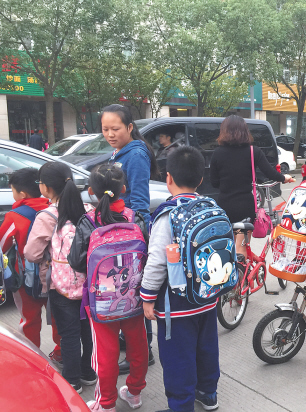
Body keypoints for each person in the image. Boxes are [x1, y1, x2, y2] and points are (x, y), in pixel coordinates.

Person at [140, 146, 220, 412]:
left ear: (168, 178)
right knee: (207, 348)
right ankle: (208, 394)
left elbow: (156, 262)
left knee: (177, 358)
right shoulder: (211, 206)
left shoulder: (167, 215)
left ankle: (181, 406)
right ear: (201, 179)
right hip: (208, 297)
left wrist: (147, 297)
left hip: (176, 306)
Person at [68, 164, 149, 411]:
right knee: (138, 345)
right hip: (134, 297)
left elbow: (76, 261)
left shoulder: (87, 222)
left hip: (101, 302)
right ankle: (134, 392)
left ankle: (106, 403)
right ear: (123, 189)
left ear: (91, 191)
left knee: (105, 353)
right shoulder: (135, 218)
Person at [23, 162, 95, 393]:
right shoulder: (89, 209)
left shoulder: (47, 216)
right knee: (87, 330)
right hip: (91, 284)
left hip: (61, 286)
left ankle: (72, 380)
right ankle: (88, 372)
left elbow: (31, 253)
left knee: (69, 333)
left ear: (45, 187)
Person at [100, 104, 157, 370]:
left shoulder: (135, 155)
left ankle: (143, 353)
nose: (110, 134)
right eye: (105, 129)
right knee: (125, 290)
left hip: (130, 234)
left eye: (116, 129)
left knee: (133, 292)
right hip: (120, 231)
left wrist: (135, 237)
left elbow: (140, 202)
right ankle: (133, 343)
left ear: (130, 127)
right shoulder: (120, 152)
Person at [0, 168, 62, 365]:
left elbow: (2, 245)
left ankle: (32, 359)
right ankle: (61, 353)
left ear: (22, 194)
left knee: (29, 320)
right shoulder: (55, 208)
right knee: (58, 317)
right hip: (57, 275)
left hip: (27, 279)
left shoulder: (14, 216)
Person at [209, 115, 294, 257]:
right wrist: (284, 178)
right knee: (241, 249)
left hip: (225, 207)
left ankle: (231, 270)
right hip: (245, 208)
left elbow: (214, 182)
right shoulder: (253, 151)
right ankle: (243, 270)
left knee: (228, 248)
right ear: (244, 131)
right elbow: (270, 172)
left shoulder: (217, 153)